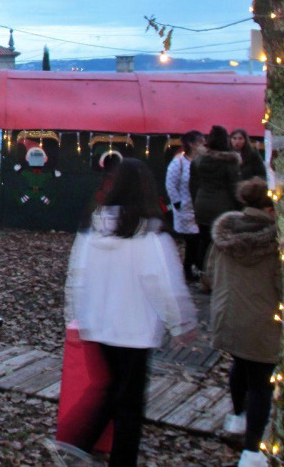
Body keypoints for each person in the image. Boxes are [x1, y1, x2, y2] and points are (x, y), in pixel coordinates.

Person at [62, 158, 197, 467]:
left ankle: (77, 445)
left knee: (112, 390)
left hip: (99, 325)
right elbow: (164, 284)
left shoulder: (93, 230)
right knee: (128, 404)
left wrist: (76, 316)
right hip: (135, 329)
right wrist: (181, 322)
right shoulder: (151, 237)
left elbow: (77, 276)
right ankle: (96, 451)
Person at [203, 179, 280, 467]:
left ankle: (237, 419)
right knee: (261, 384)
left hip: (228, 315)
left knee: (240, 365)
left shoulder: (225, 233)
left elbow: (210, 272)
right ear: (270, 209)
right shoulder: (278, 242)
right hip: (263, 321)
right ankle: (252, 451)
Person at [190, 125, 240, 274]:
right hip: (223, 206)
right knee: (221, 241)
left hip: (202, 204)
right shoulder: (229, 162)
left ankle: (202, 272)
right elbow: (234, 187)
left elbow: (193, 185)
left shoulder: (198, 160)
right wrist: (240, 207)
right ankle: (218, 273)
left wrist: (196, 203)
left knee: (204, 239)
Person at [165, 130, 205, 281]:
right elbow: (171, 184)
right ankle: (188, 269)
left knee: (197, 241)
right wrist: (177, 203)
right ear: (192, 144)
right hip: (185, 208)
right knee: (192, 241)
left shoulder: (201, 162)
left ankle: (192, 268)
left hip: (199, 207)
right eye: (200, 142)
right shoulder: (179, 162)